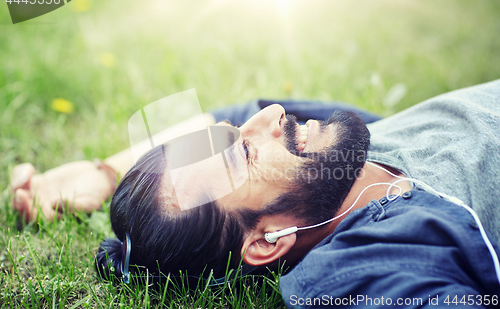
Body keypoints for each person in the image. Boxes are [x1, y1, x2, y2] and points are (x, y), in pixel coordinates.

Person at [11, 80, 500, 307]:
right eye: (241, 152)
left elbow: (246, 106)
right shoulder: (364, 268)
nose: (271, 117)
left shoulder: (340, 151)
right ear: (267, 241)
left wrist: (103, 174)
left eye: (234, 130)